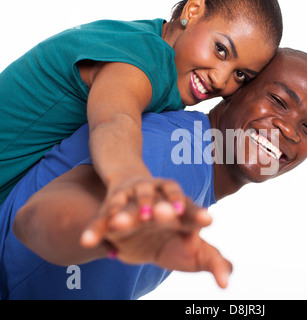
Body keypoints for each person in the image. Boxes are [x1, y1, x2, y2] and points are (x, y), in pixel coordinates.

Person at [0, 48, 307, 299]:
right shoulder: (175, 151)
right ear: (237, 90)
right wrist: (102, 228)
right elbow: (37, 217)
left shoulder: (193, 167)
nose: (289, 130)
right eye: (278, 100)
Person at [0, 1, 283, 227]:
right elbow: (114, 119)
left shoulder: (159, 43)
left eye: (241, 75)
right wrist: (127, 178)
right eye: (221, 50)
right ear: (193, 10)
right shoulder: (143, 63)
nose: (221, 80)